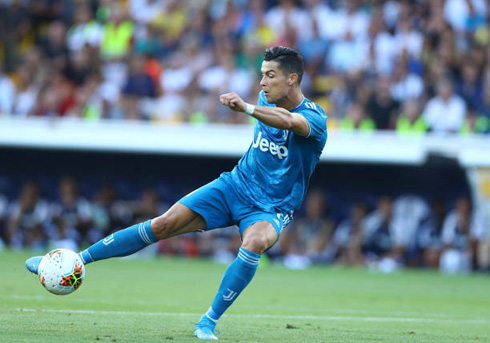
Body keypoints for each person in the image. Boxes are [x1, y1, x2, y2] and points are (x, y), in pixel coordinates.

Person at [25, 46, 328, 340]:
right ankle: (73, 261)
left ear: (292, 79)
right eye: (262, 74)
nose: (262, 83)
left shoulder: (314, 119)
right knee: (163, 223)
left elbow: (290, 121)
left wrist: (247, 108)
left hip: (271, 207)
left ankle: (208, 322)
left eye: (270, 75)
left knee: (256, 241)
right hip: (235, 186)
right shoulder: (266, 97)